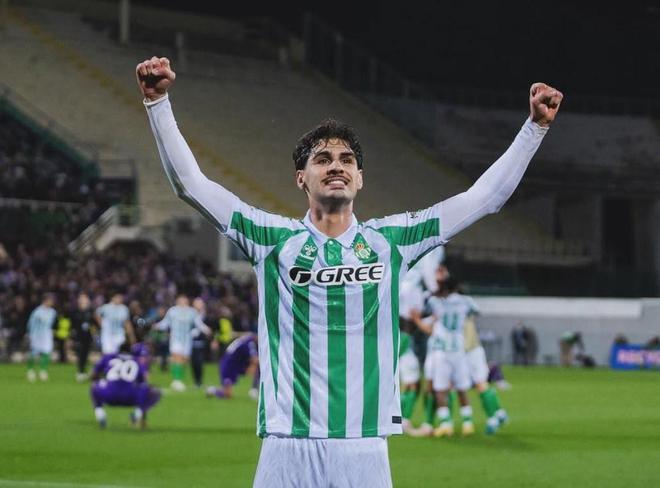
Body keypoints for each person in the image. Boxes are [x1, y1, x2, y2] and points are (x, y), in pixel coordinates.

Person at [137, 55, 562, 486]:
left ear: (360, 178)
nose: (336, 165)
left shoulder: (392, 240)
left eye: (346, 159)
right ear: (301, 178)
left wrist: (535, 128)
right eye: (322, 159)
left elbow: (483, 199)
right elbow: (190, 185)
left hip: (364, 447)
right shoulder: (271, 239)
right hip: (287, 444)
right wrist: (157, 103)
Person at [414, 277, 476, 437]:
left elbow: (426, 306)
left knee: (440, 389)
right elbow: (474, 312)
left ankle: (445, 424)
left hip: (442, 350)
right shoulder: (466, 301)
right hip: (458, 349)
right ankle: (468, 423)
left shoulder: (436, 302)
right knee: (462, 388)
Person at [89, 342, 161, 429]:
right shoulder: (136, 361)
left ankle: (100, 415)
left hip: (109, 395)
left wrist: (102, 379)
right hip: (130, 397)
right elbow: (144, 380)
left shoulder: (109, 357)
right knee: (153, 391)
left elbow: (93, 374)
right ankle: (137, 414)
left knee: (94, 386)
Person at [154, 294, 211, 391]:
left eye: (184, 301)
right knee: (177, 358)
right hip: (175, 339)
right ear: (177, 301)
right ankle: (176, 380)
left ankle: (178, 379)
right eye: (181, 301)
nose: (182, 303)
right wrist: (158, 326)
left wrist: (206, 329)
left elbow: (198, 323)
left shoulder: (192, 312)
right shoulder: (172, 311)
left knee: (184, 360)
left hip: (187, 340)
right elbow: (166, 322)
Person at [463, 314, 509, 434]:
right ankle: (499, 413)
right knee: (480, 386)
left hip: (470, 352)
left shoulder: (462, 310)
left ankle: (492, 420)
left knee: (480, 385)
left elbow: (469, 330)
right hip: (466, 352)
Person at [206, 332, 259, 400]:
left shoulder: (247, 338)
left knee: (257, 368)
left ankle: (254, 389)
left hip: (236, 364)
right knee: (227, 395)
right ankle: (212, 390)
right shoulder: (250, 343)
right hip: (228, 366)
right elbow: (254, 359)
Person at [26, 293, 57, 382]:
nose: (52, 302)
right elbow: (30, 323)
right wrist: (30, 334)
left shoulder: (53, 312)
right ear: (45, 300)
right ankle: (30, 371)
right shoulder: (37, 312)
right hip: (36, 335)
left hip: (46, 335)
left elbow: (51, 324)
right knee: (34, 353)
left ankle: (43, 371)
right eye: (50, 300)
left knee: (46, 352)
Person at [71, 292, 95, 382]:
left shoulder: (90, 311)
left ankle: (83, 371)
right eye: (82, 299)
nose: (83, 300)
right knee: (80, 354)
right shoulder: (75, 311)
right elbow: (72, 324)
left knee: (86, 354)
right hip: (78, 336)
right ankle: (80, 371)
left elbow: (94, 323)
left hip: (88, 336)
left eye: (85, 299)